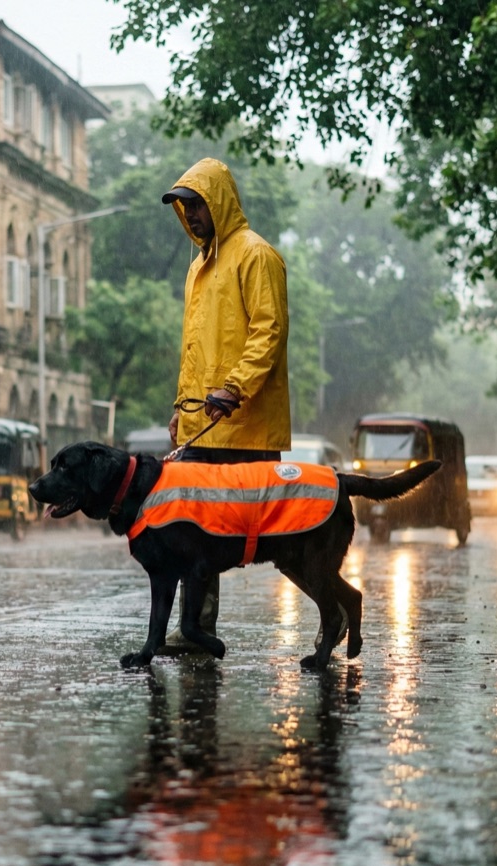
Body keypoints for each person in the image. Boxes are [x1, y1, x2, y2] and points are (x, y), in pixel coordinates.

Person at [158, 157, 291, 654]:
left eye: (196, 204)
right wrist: (181, 407)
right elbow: (194, 348)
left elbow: (268, 331)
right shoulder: (198, 268)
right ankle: (196, 628)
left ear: (219, 202)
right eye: (183, 207)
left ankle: (335, 609)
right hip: (203, 425)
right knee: (192, 531)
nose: (190, 214)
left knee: (278, 537)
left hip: (247, 426)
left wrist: (234, 388)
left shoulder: (256, 255)